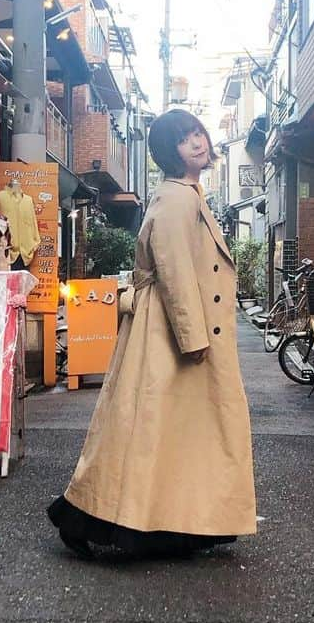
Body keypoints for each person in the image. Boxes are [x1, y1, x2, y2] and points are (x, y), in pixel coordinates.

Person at [48, 108, 256, 559]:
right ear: (168, 152)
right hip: (169, 332)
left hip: (167, 329)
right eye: (185, 140)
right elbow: (176, 271)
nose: (198, 143)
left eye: (198, 133)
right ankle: (91, 517)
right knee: (147, 429)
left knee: (159, 431)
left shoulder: (184, 193)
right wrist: (194, 338)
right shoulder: (177, 199)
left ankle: (165, 524)